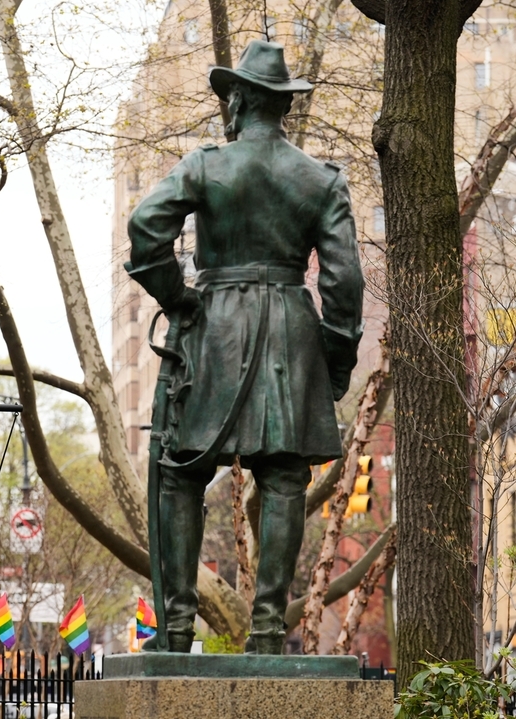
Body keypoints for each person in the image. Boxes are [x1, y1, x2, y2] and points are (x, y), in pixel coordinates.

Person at [125, 39, 365, 654]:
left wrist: (177, 298)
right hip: (290, 327)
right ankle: (265, 631)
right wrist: (334, 365)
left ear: (239, 102)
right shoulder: (320, 180)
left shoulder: (207, 166)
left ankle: (175, 629)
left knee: (181, 472)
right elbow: (344, 283)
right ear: (279, 106)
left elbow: (146, 227)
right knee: (284, 479)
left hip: (216, 325)